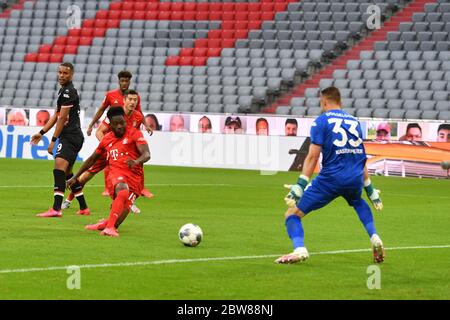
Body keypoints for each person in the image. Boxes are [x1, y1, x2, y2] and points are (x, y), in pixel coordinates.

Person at [276, 87, 384, 264]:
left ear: (324, 101)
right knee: (357, 202)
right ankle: (374, 237)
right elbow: (361, 157)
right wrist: (370, 189)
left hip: (330, 179)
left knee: (291, 215)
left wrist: (300, 185)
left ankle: (300, 249)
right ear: (339, 101)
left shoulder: (321, 121)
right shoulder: (355, 122)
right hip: (354, 178)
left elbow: (312, 156)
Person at [62, 90, 150, 214]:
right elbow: (99, 132)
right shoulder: (114, 115)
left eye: (135, 100)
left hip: (124, 153)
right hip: (108, 151)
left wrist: (147, 126)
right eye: (130, 99)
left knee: (129, 175)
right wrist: (110, 146)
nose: (132, 102)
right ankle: (69, 199)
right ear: (124, 100)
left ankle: (127, 201)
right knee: (87, 176)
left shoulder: (138, 117)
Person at [67, 107, 151, 237]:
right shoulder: (106, 139)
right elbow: (92, 159)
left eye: (122, 122)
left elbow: (146, 154)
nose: (120, 126)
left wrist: (136, 161)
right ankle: (110, 228)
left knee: (118, 219)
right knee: (122, 188)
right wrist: (76, 177)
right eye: (116, 124)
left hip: (136, 179)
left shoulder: (134, 133)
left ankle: (105, 225)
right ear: (110, 125)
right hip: (117, 174)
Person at [31, 62, 89, 217]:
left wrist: (52, 141)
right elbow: (56, 115)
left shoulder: (68, 92)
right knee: (68, 172)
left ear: (71, 75)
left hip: (70, 136)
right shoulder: (63, 91)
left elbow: (62, 118)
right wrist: (41, 132)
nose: (62, 75)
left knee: (59, 168)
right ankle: (84, 207)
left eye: (65, 73)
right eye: (60, 72)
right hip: (71, 136)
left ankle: (56, 209)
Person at [85, 70, 153, 198]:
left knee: (139, 159)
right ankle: (106, 188)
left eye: (127, 80)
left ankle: (139, 188)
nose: (124, 83)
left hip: (126, 140)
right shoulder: (111, 95)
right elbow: (101, 110)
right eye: (122, 80)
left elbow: (139, 113)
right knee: (105, 164)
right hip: (112, 138)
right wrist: (91, 125)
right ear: (119, 81)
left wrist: (146, 125)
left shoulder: (133, 99)